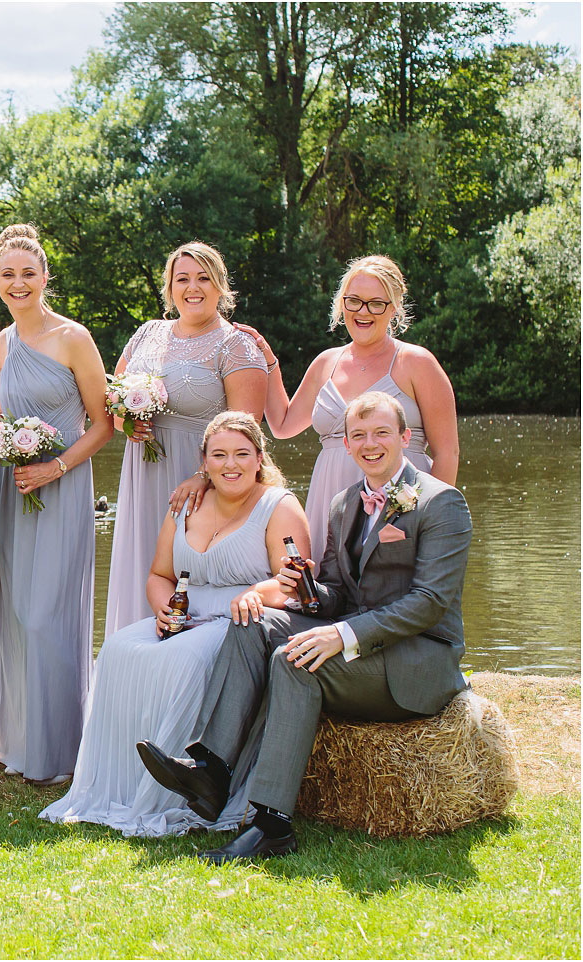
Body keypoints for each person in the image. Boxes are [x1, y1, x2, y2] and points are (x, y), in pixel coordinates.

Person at [137, 392, 472, 862]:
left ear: (404, 437)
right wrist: (295, 590)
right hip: (358, 639)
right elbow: (336, 593)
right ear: (348, 445)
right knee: (254, 621)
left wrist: (342, 635)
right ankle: (210, 770)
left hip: (417, 658)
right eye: (358, 435)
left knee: (291, 662)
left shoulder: (442, 503)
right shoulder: (344, 504)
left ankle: (273, 825)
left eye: (380, 433)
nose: (369, 444)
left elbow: (430, 602)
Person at [41, 412, 310, 834]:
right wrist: (164, 608)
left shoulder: (279, 505)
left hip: (240, 620)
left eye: (242, 454)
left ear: (259, 458)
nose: (231, 464)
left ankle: (182, 785)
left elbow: (293, 584)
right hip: (183, 616)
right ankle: (117, 786)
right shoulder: (186, 503)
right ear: (203, 460)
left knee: (183, 661)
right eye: (219, 455)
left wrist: (257, 593)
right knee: (117, 649)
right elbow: (159, 574)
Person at [0, 225, 113, 784]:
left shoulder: (73, 338)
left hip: (62, 488)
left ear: (45, 278)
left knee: (46, 618)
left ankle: (60, 753)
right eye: (8, 274)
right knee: (15, 615)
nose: (19, 284)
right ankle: (19, 745)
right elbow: (5, 414)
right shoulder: (1, 343)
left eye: (28, 274)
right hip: (15, 492)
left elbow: (104, 423)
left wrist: (55, 466)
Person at [232, 254, 458, 549]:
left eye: (377, 303)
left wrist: (428, 524)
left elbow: (447, 453)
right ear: (342, 304)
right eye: (354, 301)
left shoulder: (416, 362)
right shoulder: (326, 363)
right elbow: (283, 425)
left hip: (399, 504)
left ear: (394, 309)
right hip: (330, 498)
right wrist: (268, 361)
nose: (364, 312)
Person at [104, 242, 266, 637]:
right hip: (142, 472)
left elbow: (246, 430)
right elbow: (112, 396)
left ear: (220, 287)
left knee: (183, 573)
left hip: (200, 482)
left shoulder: (236, 344)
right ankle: (134, 675)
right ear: (170, 287)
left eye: (203, 278)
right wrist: (126, 420)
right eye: (182, 279)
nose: (193, 287)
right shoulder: (147, 334)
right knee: (142, 562)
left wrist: (203, 476)